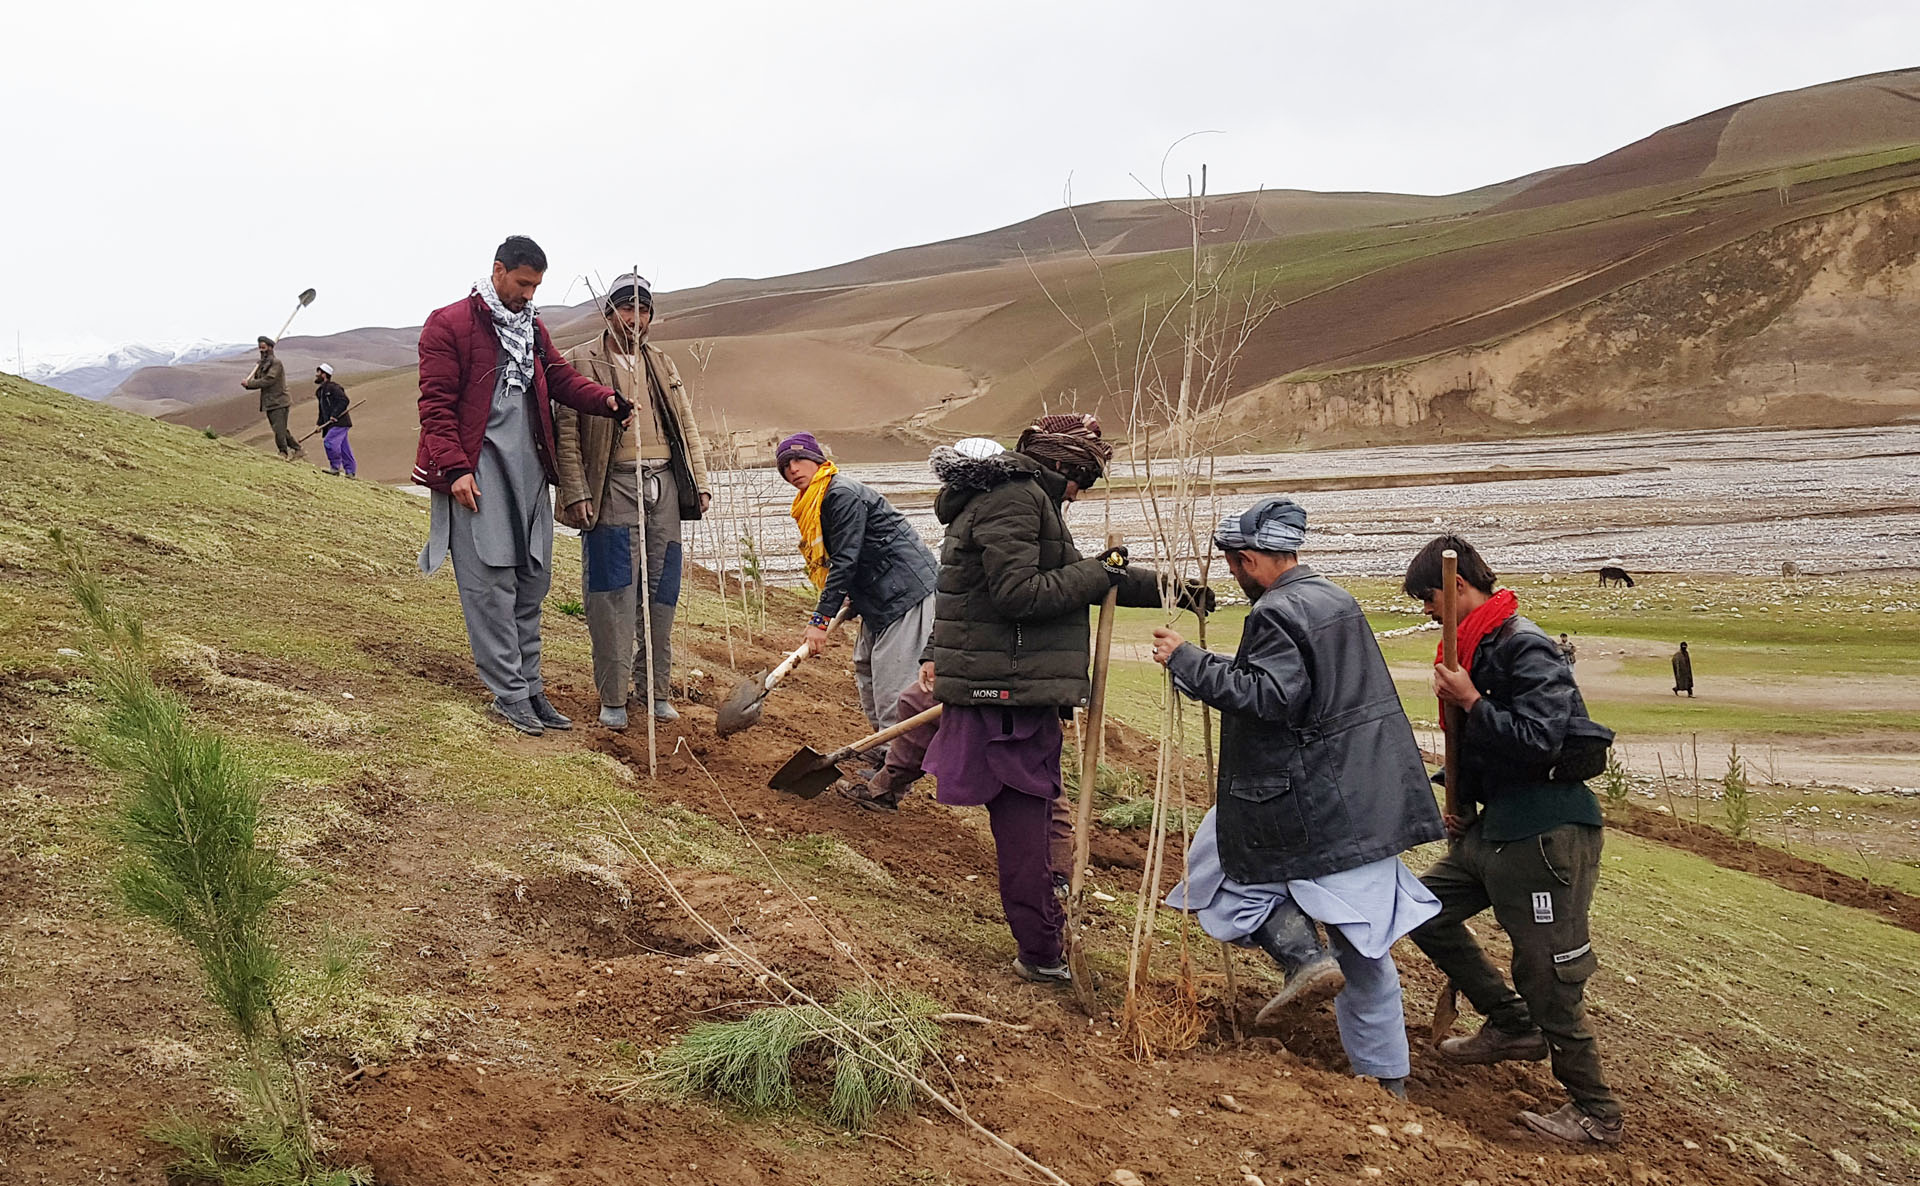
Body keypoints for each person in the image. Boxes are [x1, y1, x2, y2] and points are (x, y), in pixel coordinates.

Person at [1154, 497, 1444, 1101]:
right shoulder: (1334, 598)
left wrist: (1187, 659)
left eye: (1234, 562)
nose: (1233, 573)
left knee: (1218, 871)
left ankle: (1303, 961)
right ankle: (1388, 1082)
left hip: (1303, 794)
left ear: (1252, 558)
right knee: (1365, 944)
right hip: (1362, 794)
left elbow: (1271, 697)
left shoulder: (1276, 612)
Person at [918, 414, 1211, 985]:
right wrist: (1105, 568)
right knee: (1025, 821)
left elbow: (1081, 576)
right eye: (1084, 479)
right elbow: (1020, 595)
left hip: (1008, 685)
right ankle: (1042, 949)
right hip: (1008, 692)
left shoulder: (1020, 498)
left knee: (1027, 816)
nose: (1083, 492)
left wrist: (1175, 590)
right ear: (1061, 465)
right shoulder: (1017, 499)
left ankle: (1042, 931)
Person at [1401, 535, 1624, 1146]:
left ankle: (1596, 1112)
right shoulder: (1474, 644)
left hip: (1544, 832)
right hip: (1495, 828)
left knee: (1549, 971)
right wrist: (1461, 802)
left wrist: (1471, 698)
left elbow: (1539, 740)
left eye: (1428, 599)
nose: (1425, 611)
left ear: (1458, 588)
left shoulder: (1525, 646)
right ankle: (1510, 1023)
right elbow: (1485, 746)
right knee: (1424, 911)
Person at [415, 235, 629, 736]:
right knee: (490, 585)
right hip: (478, 472)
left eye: (536, 286)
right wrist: (455, 470)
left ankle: (531, 687)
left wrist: (606, 400)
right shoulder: (447, 324)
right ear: (498, 271)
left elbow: (557, 377)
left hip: (529, 470)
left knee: (531, 581)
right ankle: (508, 693)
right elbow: (435, 407)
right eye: (523, 283)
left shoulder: (529, 326)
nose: (530, 294)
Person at [555, 274, 710, 729]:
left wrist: (699, 481)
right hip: (611, 487)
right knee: (612, 592)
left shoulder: (661, 363)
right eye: (627, 308)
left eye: (644, 310)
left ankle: (656, 690)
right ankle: (613, 696)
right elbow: (567, 433)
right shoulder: (579, 360)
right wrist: (576, 491)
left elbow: (686, 425)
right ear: (609, 311)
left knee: (662, 591)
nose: (635, 319)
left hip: (663, 486)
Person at [777, 431, 938, 735]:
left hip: (904, 592)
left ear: (817, 460)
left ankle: (895, 766)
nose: (793, 469)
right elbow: (849, 556)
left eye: (799, 459)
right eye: (785, 466)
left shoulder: (841, 494)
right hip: (876, 592)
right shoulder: (814, 502)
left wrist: (820, 620)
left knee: (893, 682)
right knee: (866, 669)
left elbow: (846, 560)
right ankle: (884, 749)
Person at [242, 335, 300, 459]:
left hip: (279, 401)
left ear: (270, 347)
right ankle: (297, 449)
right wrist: (256, 372)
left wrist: (249, 384)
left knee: (279, 429)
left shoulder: (276, 364)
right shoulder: (263, 365)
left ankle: (283, 452)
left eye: (263, 347)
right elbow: (259, 379)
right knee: (281, 429)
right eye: (259, 348)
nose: (261, 350)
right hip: (269, 402)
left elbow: (268, 380)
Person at [314, 364, 354, 477]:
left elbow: (344, 400)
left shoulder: (333, 388)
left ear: (324, 375)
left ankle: (335, 467)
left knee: (329, 442)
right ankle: (350, 471)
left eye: (318, 373)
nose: (316, 375)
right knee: (344, 447)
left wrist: (334, 415)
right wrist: (319, 424)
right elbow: (322, 410)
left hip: (340, 422)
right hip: (331, 424)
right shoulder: (320, 391)